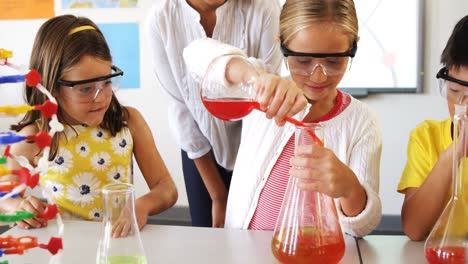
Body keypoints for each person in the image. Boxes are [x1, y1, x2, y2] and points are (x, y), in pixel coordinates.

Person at [183, 0, 382, 237]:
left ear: (353, 47)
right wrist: (254, 78)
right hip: (243, 252)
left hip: (314, 255)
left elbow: (363, 227)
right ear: (282, 45)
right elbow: (194, 53)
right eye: (303, 61)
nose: (318, 76)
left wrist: (350, 190)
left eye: (333, 62)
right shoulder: (264, 93)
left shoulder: (362, 122)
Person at [0, 15, 178, 237]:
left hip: (117, 246)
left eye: (106, 82)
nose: (101, 97)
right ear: (50, 86)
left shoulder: (129, 122)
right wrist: (17, 206)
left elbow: (167, 188)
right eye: (85, 89)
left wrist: (141, 207)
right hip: (67, 250)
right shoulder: (35, 136)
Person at [145, 0, 283, 227]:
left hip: (255, 146)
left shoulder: (264, 9)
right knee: (207, 236)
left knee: (254, 235)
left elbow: (265, 97)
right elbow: (181, 108)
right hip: (200, 150)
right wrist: (218, 196)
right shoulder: (162, 18)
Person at [398, 15, 468, 241]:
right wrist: (451, 155)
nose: (462, 106)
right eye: (455, 91)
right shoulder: (426, 137)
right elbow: (414, 229)